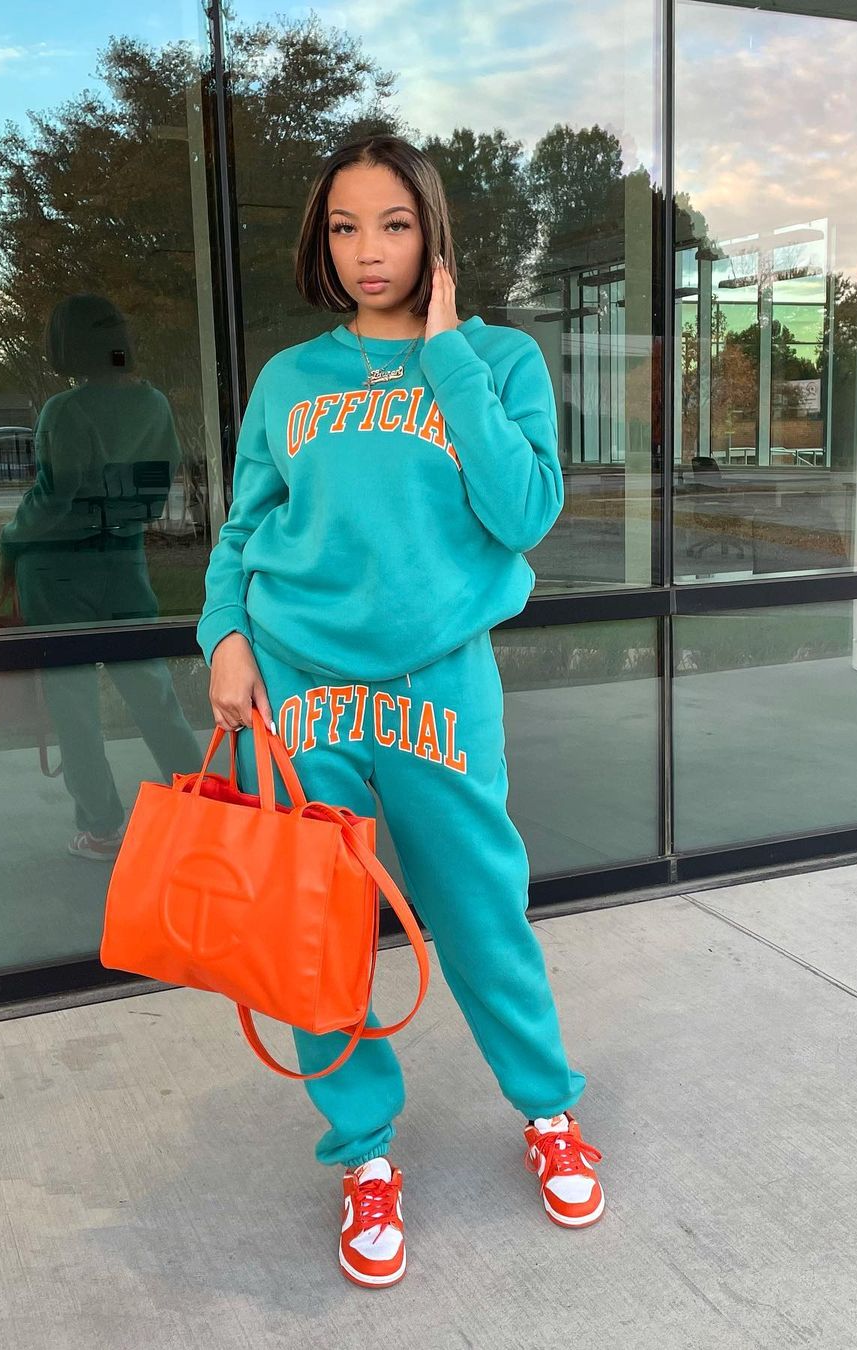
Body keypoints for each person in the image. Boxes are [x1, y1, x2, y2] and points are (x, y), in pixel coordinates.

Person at [197, 134, 604, 1290]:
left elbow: (523, 512)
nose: (367, 250)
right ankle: (365, 1153)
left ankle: (548, 1111)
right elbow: (242, 532)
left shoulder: (501, 360)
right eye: (344, 227)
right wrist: (224, 636)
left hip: (440, 688)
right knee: (316, 932)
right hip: (298, 690)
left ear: (431, 233)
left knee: (481, 911)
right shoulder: (291, 380)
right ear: (321, 242)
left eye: (392, 223)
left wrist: (448, 357)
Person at [0, 293, 202, 860]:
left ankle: (102, 827)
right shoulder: (154, 404)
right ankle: (202, 809)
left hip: (57, 570)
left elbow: (55, 495)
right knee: (154, 695)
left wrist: (11, 536)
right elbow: (154, 492)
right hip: (125, 563)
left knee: (74, 708)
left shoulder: (64, 411)